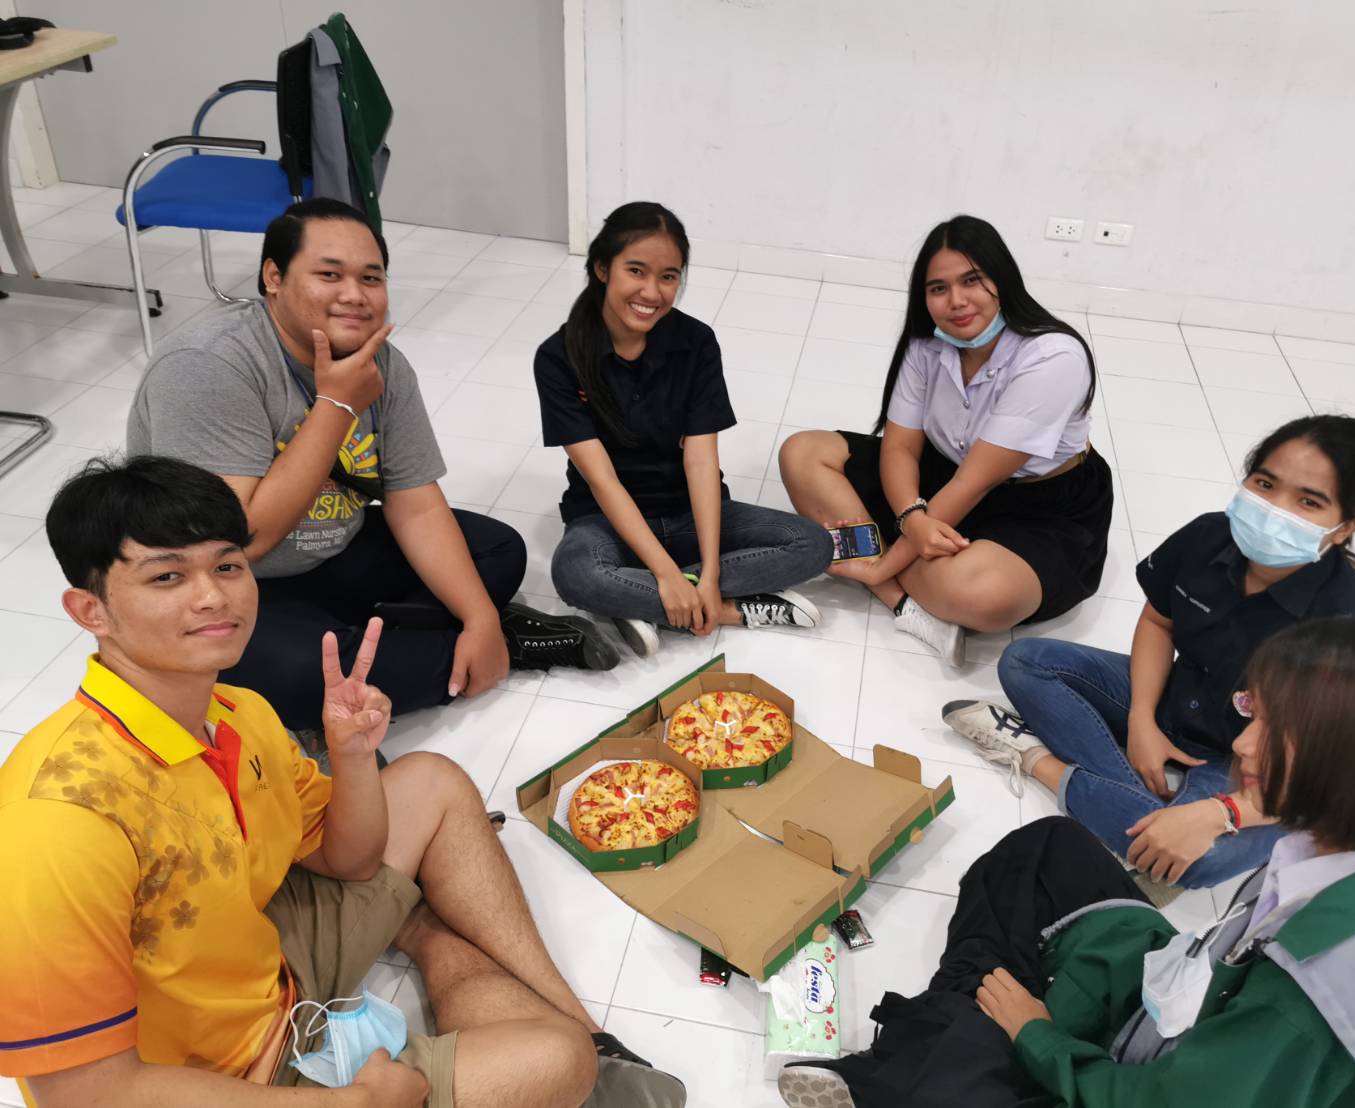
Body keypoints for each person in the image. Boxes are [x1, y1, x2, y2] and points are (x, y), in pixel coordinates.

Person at [0, 456, 683, 1108]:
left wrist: (351, 757)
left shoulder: (238, 711)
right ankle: (517, 1008)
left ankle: (571, 1019)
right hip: (215, 1079)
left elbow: (348, 861)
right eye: (167, 577)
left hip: (261, 959)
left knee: (433, 782)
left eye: (228, 565)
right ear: (90, 611)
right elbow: (84, 1095)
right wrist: (358, 1101)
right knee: (554, 1062)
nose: (213, 596)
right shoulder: (58, 817)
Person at [781, 616, 1355, 1108]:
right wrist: (1225, 811)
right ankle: (966, 1017)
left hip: (1165, 1079)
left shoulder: (1303, 1004)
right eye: (1253, 714)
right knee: (1046, 849)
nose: (1243, 745)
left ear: (1353, 760)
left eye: (1278, 732)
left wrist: (1037, 1036)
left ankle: (930, 1049)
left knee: (957, 1071)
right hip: (1193, 1010)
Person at [127, 197, 618, 737]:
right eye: (329, 275)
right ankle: (491, 644)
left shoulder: (383, 363)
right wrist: (337, 405)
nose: (354, 295)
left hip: (335, 553)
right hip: (229, 586)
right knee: (297, 674)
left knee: (498, 551)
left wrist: (479, 618)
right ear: (273, 277)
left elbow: (417, 505)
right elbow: (239, 541)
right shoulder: (209, 365)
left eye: (371, 277)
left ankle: (426, 642)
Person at [945, 414, 1355, 890]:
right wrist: (1142, 722)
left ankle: (1038, 760)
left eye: (1308, 501)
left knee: (1201, 864)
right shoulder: (1209, 536)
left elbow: (1334, 778)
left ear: (1344, 527)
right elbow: (1158, 622)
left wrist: (1225, 811)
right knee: (1026, 661)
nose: (1275, 509)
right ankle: (1141, 812)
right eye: (1265, 483)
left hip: (1247, 768)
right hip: (1173, 701)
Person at [778, 215, 1112, 667]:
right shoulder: (927, 345)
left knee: (985, 597)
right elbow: (900, 448)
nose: (956, 301)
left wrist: (886, 558)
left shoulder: (1052, 357)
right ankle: (900, 601)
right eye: (938, 288)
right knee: (802, 453)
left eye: (972, 280)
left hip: (1035, 503)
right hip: (940, 475)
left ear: (1003, 279)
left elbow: (973, 484)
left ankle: (869, 557)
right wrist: (912, 518)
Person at [536, 201, 833, 657]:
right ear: (602, 268)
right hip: (606, 519)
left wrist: (709, 572)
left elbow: (700, 463)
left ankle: (645, 602)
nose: (651, 291)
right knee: (575, 574)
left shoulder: (696, 343)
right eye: (636, 271)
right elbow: (602, 479)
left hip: (688, 514)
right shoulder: (559, 357)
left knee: (812, 544)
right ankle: (732, 609)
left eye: (668, 276)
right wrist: (666, 573)